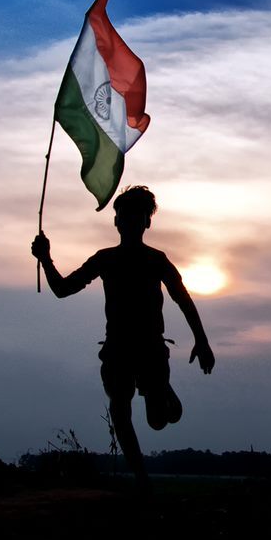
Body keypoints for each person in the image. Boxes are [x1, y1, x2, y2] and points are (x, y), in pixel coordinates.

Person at [32, 185, 215, 492]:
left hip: (152, 350)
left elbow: (183, 299)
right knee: (120, 410)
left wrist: (202, 340)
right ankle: (142, 480)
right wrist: (46, 259)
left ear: (147, 222)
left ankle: (161, 391)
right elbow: (63, 289)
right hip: (116, 350)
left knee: (158, 420)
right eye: (123, 216)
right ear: (116, 221)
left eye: (136, 216)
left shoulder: (157, 260)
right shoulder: (105, 259)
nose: (129, 221)